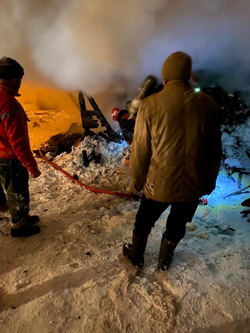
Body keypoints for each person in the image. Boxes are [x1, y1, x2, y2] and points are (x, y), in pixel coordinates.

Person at [123, 52, 222, 270]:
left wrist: (136, 182)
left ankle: (136, 256)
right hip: (192, 184)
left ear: (165, 76)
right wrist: (209, 181)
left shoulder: (150, 105)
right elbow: (215, 151)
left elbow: (140, 150)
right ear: (188, 76)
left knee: (144, 222)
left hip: (158, 183)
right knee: (177, 225)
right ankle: (164, 260)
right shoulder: (208, 104)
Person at [0, 56, 41, 237]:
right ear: (15, 79)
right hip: (10, 158)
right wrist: (31, 165)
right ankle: (19, 225)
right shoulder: (8, 103)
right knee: (18, 191)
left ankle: (22, 216)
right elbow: (18, 141)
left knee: (10, 188)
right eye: (20, 79)